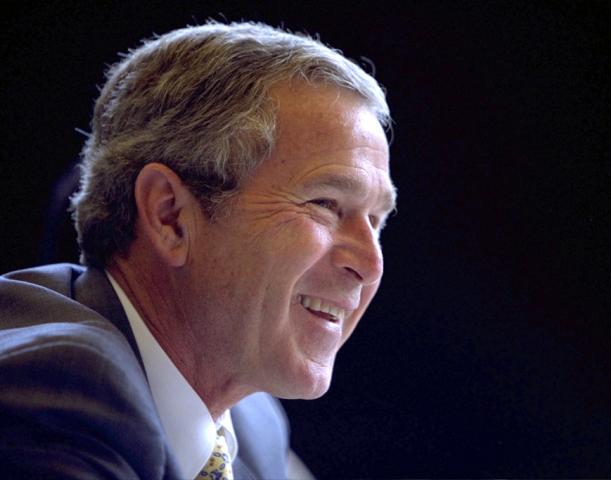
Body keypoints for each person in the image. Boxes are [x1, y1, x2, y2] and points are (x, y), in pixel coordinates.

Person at [0, 21, 396, 479]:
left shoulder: (252, 425)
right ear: (170, 217)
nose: (370, 264)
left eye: (375, 220)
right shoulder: (61, 385)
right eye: (325, 204)